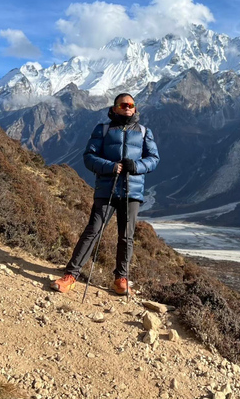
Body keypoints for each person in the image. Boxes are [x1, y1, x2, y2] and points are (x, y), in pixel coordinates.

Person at [51, 93, 159, 295]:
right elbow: (89, 157)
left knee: (127, 236)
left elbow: (154, 158)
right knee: (93, 230)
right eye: (123, 104)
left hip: (131, 191)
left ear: (135, 109)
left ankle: (121, 279)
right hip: (106, 189)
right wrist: (110, 167)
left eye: (131, 105)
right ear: (115, 108)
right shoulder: (102, 130)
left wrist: (136, 166)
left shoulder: (144, 132)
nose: (127, 107)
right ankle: (71, 275)